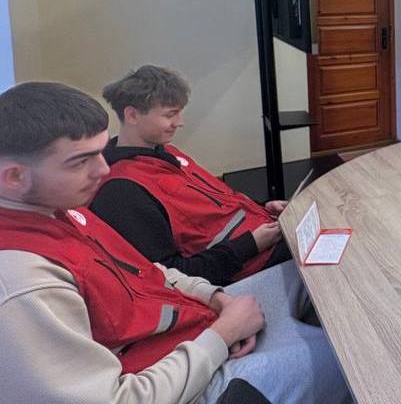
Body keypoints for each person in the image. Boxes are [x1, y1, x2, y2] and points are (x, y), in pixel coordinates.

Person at [0, 82, 349, 403]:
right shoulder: (23, 283)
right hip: (185, 376)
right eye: (80, 162)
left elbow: (147, 271)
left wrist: (215, 297)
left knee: (315, 272)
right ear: (14, 177)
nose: (103, 170)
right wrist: (221, 335)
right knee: (351, 354)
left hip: (196, 324)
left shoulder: (60, 208)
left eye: (100, 152)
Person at [90, 65, 289, 286]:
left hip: (264, 238)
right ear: (132, 115)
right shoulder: (122, 191)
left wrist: (263, 207)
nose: (180, 122)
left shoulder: (164, 152)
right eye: (170, 115)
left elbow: (218, 205)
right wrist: (251, 245)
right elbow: (172, 275)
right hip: (247, 268)